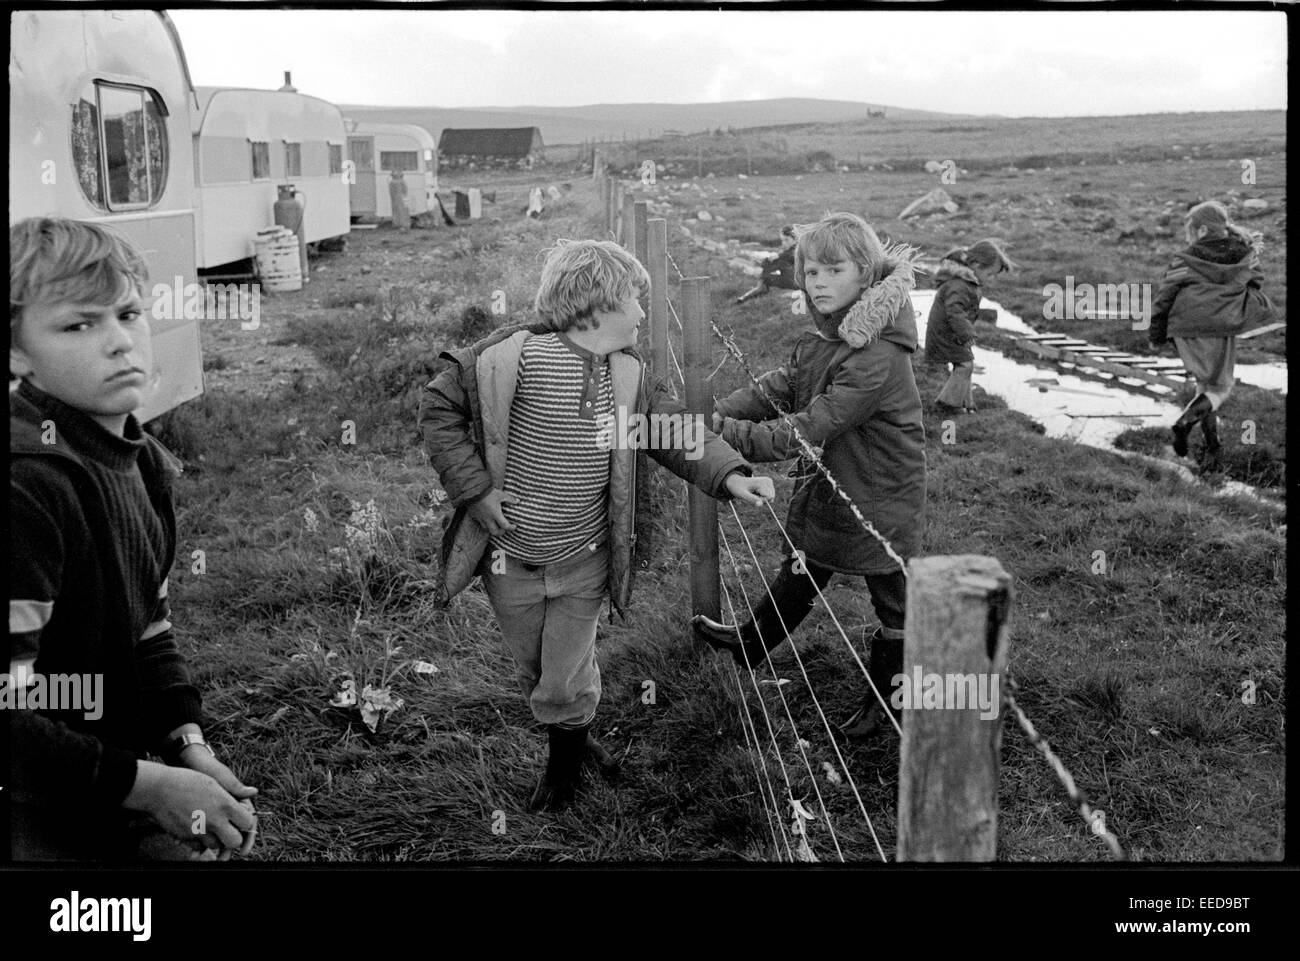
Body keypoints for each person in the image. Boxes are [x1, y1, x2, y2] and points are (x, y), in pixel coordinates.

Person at [418, 239, 774, 811]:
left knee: (562, 675)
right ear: (596, 306)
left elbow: (676, 432)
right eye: (635, 301)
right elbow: (439, 409)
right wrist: (476, 491)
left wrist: (731, 475)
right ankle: (576, 735)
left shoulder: (628, 376)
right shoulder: (511, 358)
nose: (641, 314)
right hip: (510, 563)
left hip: (585, 560)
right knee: (537, 669)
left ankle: (562, 778)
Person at [9, 217, 258, 860]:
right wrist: (148, 788)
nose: (120, 343)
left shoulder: (139, 457)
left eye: (127, 313)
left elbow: (149, 619)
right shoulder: (27, 489)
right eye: (77, 325)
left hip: (101, 777)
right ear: (15, 352)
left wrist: (185, 743)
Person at [692, 212, 927, 740]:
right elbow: (780, 386)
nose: (816, 281)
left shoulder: (878, 355)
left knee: (893, 597)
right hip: (839, 478)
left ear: (866, 275)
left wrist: (722, 432)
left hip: (882, 490)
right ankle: (751, 645)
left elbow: (808, 427)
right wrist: (713, 413)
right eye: (810, 271)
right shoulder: (829, 335)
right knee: (807, 560)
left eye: (832, 270)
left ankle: (891, 704)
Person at [1148, 201, 1272, 471]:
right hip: (1219, 327)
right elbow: (1256, 281)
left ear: (1202, 230)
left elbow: (1164, 296)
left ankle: (1213, 449)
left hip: (1185, 327)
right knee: (1221, 388)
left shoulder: (1184, 259)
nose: (1188, 237)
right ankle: (1184, 423)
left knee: (1205, 387)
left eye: (1190, 231)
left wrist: (1156, 333)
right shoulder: (1244, 255)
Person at [925, 239, 1017, 414]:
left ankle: (966, 403)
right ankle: (947, 404)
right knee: (965, 365)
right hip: (946, 333)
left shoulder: (966, 281)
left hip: (953, 333)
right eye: (989, 274)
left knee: (966, 364)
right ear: (975, 264)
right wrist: (966, 333)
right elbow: (954, 312)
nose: (991, 279)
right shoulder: (959, 284)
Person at [736, 225, 799, 305]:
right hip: (792, 279)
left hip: (795, 281)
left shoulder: (797, 249)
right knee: (771, 264)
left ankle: (759, 289)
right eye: (782, 240)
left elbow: (792, 255)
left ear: (795, 239)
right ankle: (759, 287)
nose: (784, 243)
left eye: (786, 240)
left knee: (770, 270)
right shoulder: (789, 251)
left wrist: (778, 256)